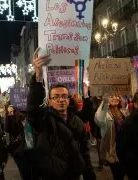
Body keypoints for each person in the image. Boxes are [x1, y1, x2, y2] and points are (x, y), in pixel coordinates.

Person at [27, 48, 96, 180]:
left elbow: (84, 152)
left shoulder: (77, 121)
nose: (60, 99)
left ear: (69, 99)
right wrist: (38, 77)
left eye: (64, 96)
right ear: (49, 101)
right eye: (56, 97)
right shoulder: (44, 120)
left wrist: (89, 173)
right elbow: (32, 109)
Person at [95, 94, 128, 180]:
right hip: (113, 151)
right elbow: (100, 121)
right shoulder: (104, 112)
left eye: (116, 96)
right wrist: (105, 104)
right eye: (112, 96)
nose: (115, 98)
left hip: (125, 149)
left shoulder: (122, 110)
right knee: (118, 175)